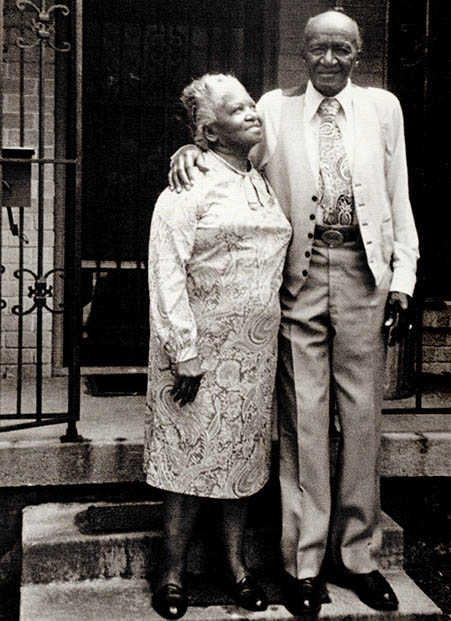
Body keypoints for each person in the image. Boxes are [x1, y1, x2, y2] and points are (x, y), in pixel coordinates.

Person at [167, 9, 419, 617]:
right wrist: (186, 147)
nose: (329, 60)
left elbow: (398, 192)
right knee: (303, 419)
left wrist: (404, 278)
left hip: (365, 275)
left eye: (342, 50)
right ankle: (303, 565)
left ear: (357, 54)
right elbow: (223, 144)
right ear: (301, 54)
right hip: (298, 279)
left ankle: (358, 558)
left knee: (361, 422)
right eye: (318, 50)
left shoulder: (383, 108)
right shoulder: (275, 110)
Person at [145, 73, 292, 619]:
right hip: (197, 354)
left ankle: (236, 569)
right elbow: (166, 271)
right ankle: (172, 574)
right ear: (208, 131)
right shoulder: (189, 185)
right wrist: (184, 350)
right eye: (237, 110)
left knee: (239, 460)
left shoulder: (259, 180)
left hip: (253, 356)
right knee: (186, 460)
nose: (254, 112)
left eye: (252, 103)